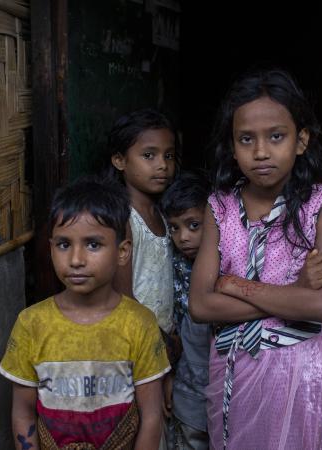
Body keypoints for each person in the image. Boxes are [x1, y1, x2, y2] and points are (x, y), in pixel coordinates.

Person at [189, 69, 322, 450]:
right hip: (231, 369)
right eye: (246, 139)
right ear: (232, 145)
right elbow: (200, 305)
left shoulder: (318, 204)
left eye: (276, 136)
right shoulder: (219, 208)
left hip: (298, 372)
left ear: (301, 140)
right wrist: (293, 294)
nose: (260, 151)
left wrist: (237, 286)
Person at [0, 177, 170, 450]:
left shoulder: (139, 324)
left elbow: (151, 417)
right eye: (64, 245)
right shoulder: (32, 324)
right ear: (51, 247)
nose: (76, 260)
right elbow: (23, 412)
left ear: (122, 251)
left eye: (93, 245)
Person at [107, 108, 180, 449]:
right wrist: (162, 347)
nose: (162, 165)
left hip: (162, 341)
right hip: (135, 343)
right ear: (120, 161)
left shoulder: (166, 213)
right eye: (148, 155)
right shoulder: (123, 218)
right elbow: (124, 299)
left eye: (168, 156)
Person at [160, 171, 212, 450]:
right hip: (187, 390)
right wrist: (169, 375)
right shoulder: (174, 265)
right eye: (174, 228)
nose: (184, 237)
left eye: (194, 225)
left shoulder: (230, 266)